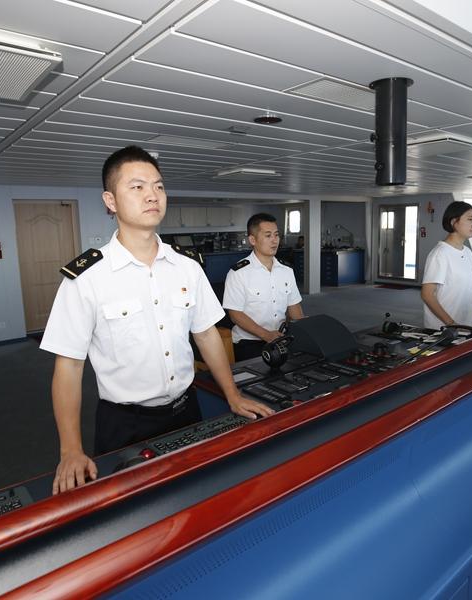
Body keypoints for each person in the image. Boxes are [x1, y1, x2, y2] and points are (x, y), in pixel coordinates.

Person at [40, 146, 274, 494]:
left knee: (195, 494)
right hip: (124, 423)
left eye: (159, 186)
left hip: (187, 409)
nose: (152, 195)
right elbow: (69, 367)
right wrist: (70, 450)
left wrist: (232, 394)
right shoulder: (86, 278)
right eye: (137, 187)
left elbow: (207, 335)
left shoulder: (187, 266)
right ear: (110, 200)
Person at [223, 213, 304, 362]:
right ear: (252, 240)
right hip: (249, 343)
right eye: (268, 235)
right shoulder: (238, 273)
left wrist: (306, 329)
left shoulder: (286, 271)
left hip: (280, 338)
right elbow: (235, 314)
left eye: (276, 235)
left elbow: (294, 307)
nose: (274, 240)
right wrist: (266, 335)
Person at [420, 201, 472, 330]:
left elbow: (465, 289)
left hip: (467, 326)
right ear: (453, 222)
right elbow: (427, 295)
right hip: (445, 329)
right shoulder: (440, 254)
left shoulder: (467, 252)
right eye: (469, 219)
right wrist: (451, 323)